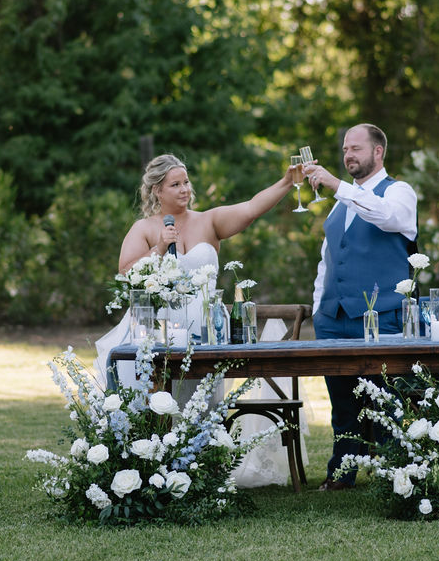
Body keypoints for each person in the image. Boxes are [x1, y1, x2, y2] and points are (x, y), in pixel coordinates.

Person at [95, 153, 296, 388]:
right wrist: (159, 247)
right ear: (157, 191)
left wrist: (287, 182)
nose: (184, 190)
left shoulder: (209, 221)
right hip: (159, 332)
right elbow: (126, 275)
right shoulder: (144, 228)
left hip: (207, 328)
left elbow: (251, 208)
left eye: (186, 182)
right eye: (175, 185)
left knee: (202, 404)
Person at [303, 123, 418, 491]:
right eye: (345, 149)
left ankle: (393, 475)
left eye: (356, 148)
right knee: (343, 403)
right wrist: (319, 306)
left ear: (378, 152)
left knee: (387, 401)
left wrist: (338, 186)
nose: (348, 154)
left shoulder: (399, 192)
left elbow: (387, 217)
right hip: (334, 318)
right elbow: (328, 260)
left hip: (382, 315)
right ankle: (341, 472)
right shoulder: (339, 206)